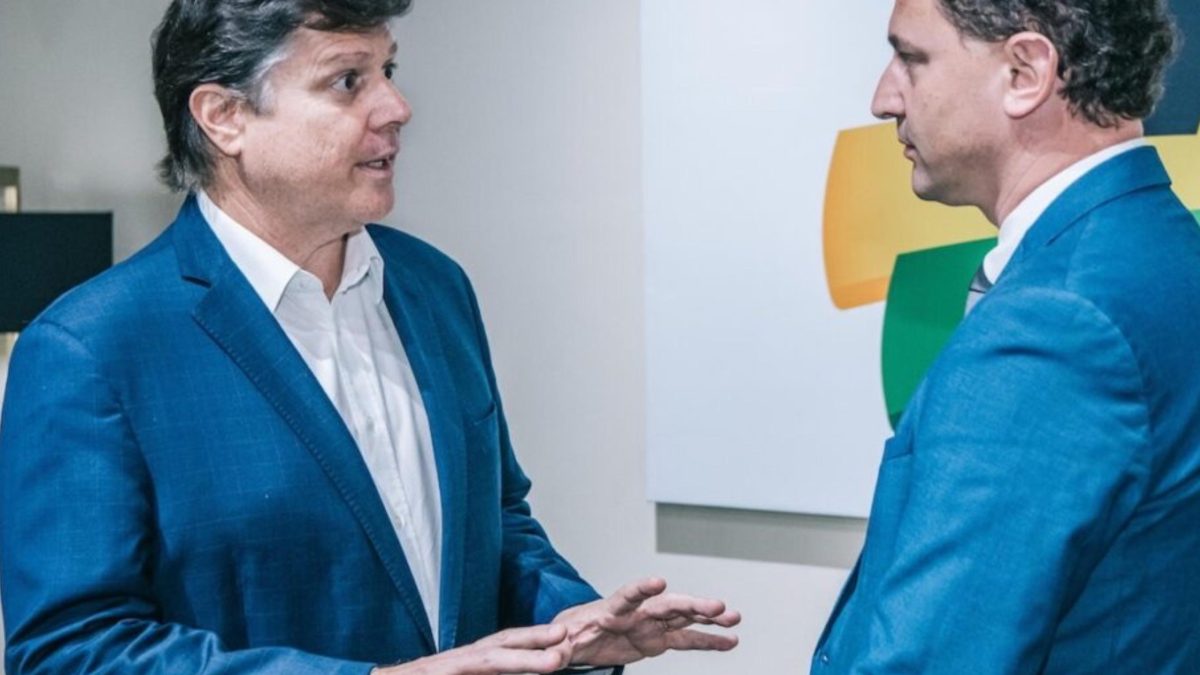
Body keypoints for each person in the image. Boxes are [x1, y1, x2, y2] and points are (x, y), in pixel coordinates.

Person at [0, 1, 740, 673]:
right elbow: (72, 651)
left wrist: (570, 624)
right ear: (224, 117)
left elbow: (495, 525)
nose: (397, 107)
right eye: (348, 81)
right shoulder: (90, 349)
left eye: (388, 70)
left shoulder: (435, 288)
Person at [814, 0, 1200, 672]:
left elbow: (935, 657)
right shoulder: (1162, 250)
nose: (883, 99)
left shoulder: (1056, 323)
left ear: (1025, 72)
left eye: (912, 58)